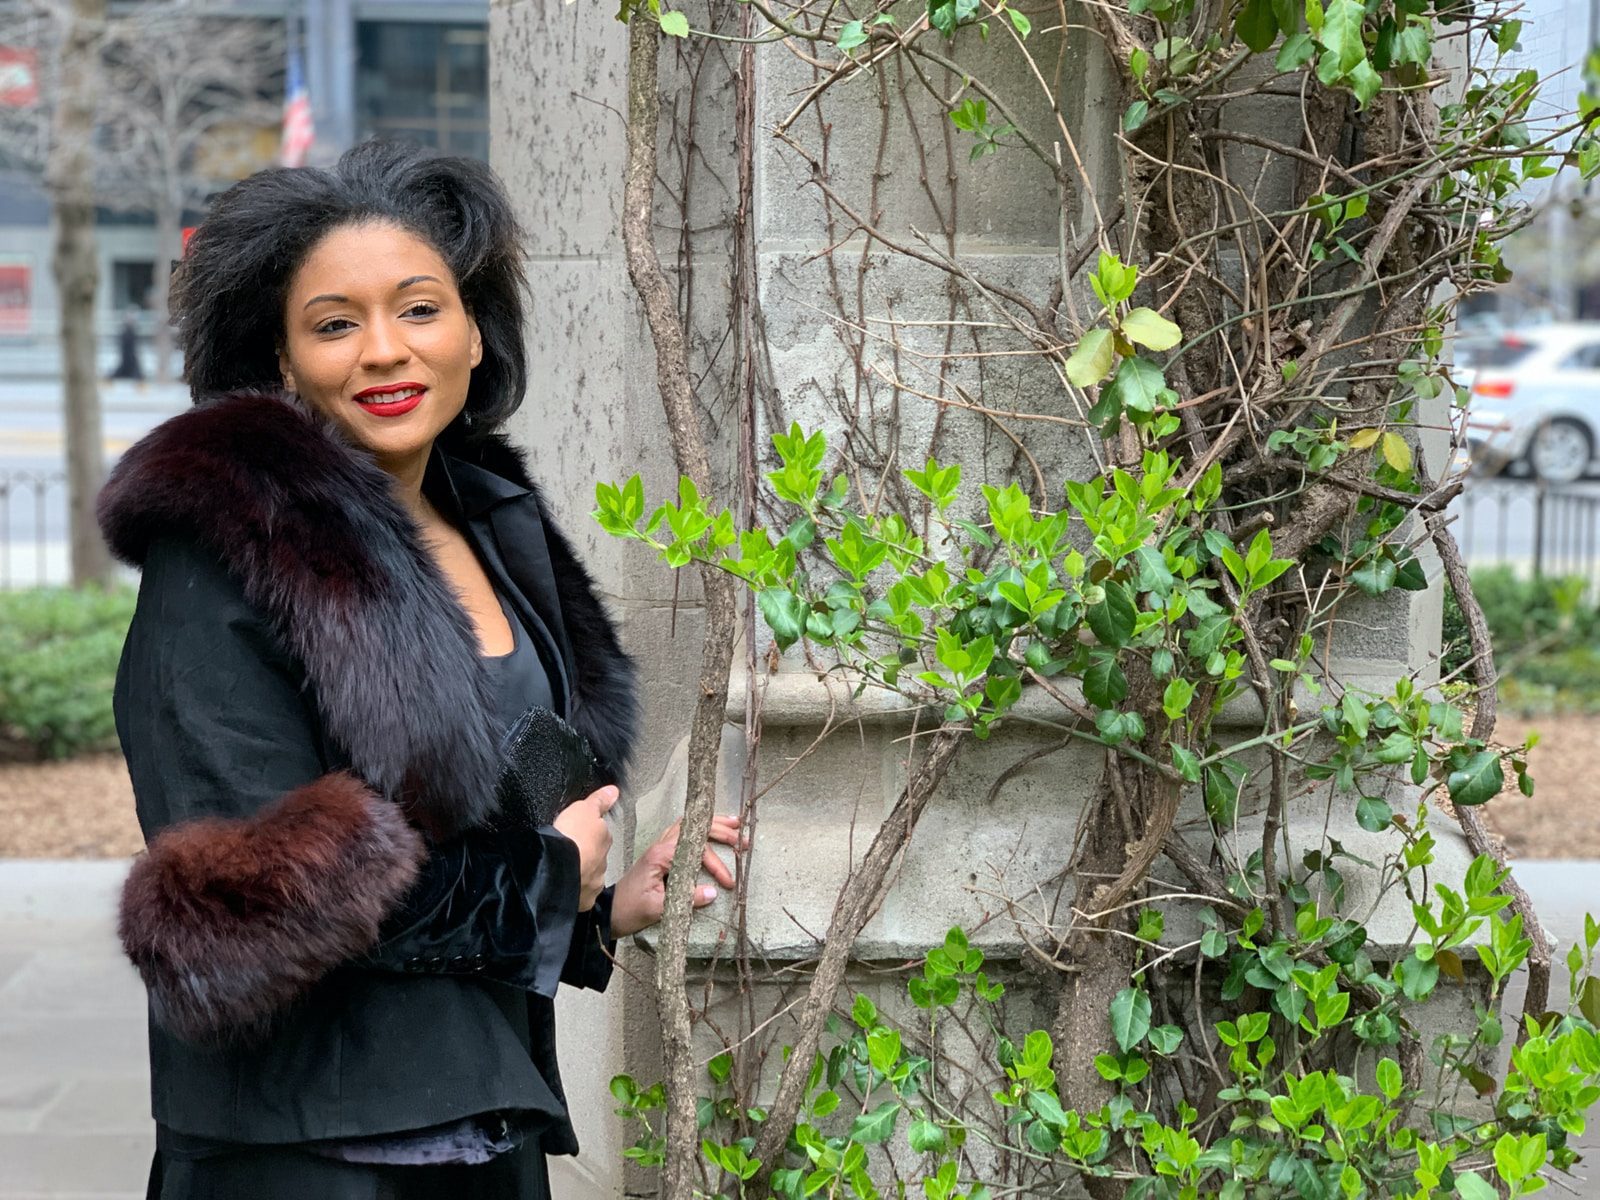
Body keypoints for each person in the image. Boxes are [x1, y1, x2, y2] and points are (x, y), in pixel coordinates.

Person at [97, 140, 742, 1199]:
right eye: (336, 324)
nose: (385, 351)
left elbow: (469, 821)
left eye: (419, 309)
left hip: (481, 1122)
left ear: (476, 332)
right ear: (282, 360)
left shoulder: (486, 520)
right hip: (309, 1152)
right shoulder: (225, 549)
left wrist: (597, 906)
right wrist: (539, 879)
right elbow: (238, 910)